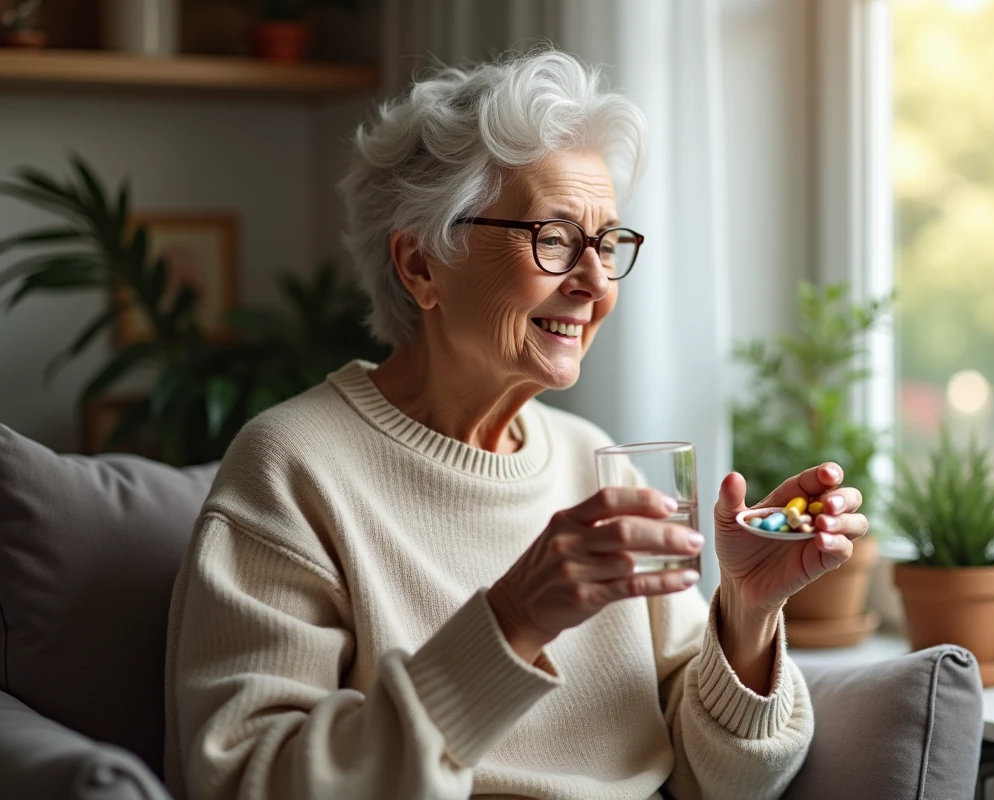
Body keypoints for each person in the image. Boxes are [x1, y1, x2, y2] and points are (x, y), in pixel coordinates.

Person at [163, 48, 868, 800]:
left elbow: (726, 781)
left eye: (607, 244)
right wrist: (512, 621)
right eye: (554, 238)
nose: (595, 283)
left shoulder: (590, 456)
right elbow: (249, 780)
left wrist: (749, 611)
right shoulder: (292, 467)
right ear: (421, 265)